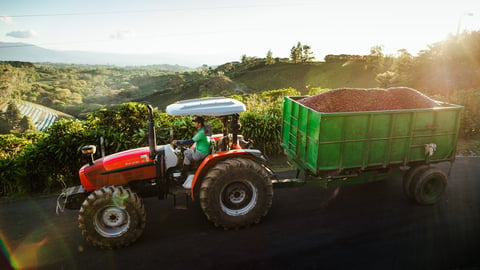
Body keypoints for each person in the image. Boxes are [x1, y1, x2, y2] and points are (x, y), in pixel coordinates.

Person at [172, 116, 209, 181]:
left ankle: (184, 174)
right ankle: (185, 173)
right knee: (188, 152)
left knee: (186, 153)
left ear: (199, 124)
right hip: (203, 150)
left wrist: (178, 142)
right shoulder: (203, 130)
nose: (194, 124)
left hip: (201, 153)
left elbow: (190, 141)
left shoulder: (201, 132)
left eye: (195, 122)